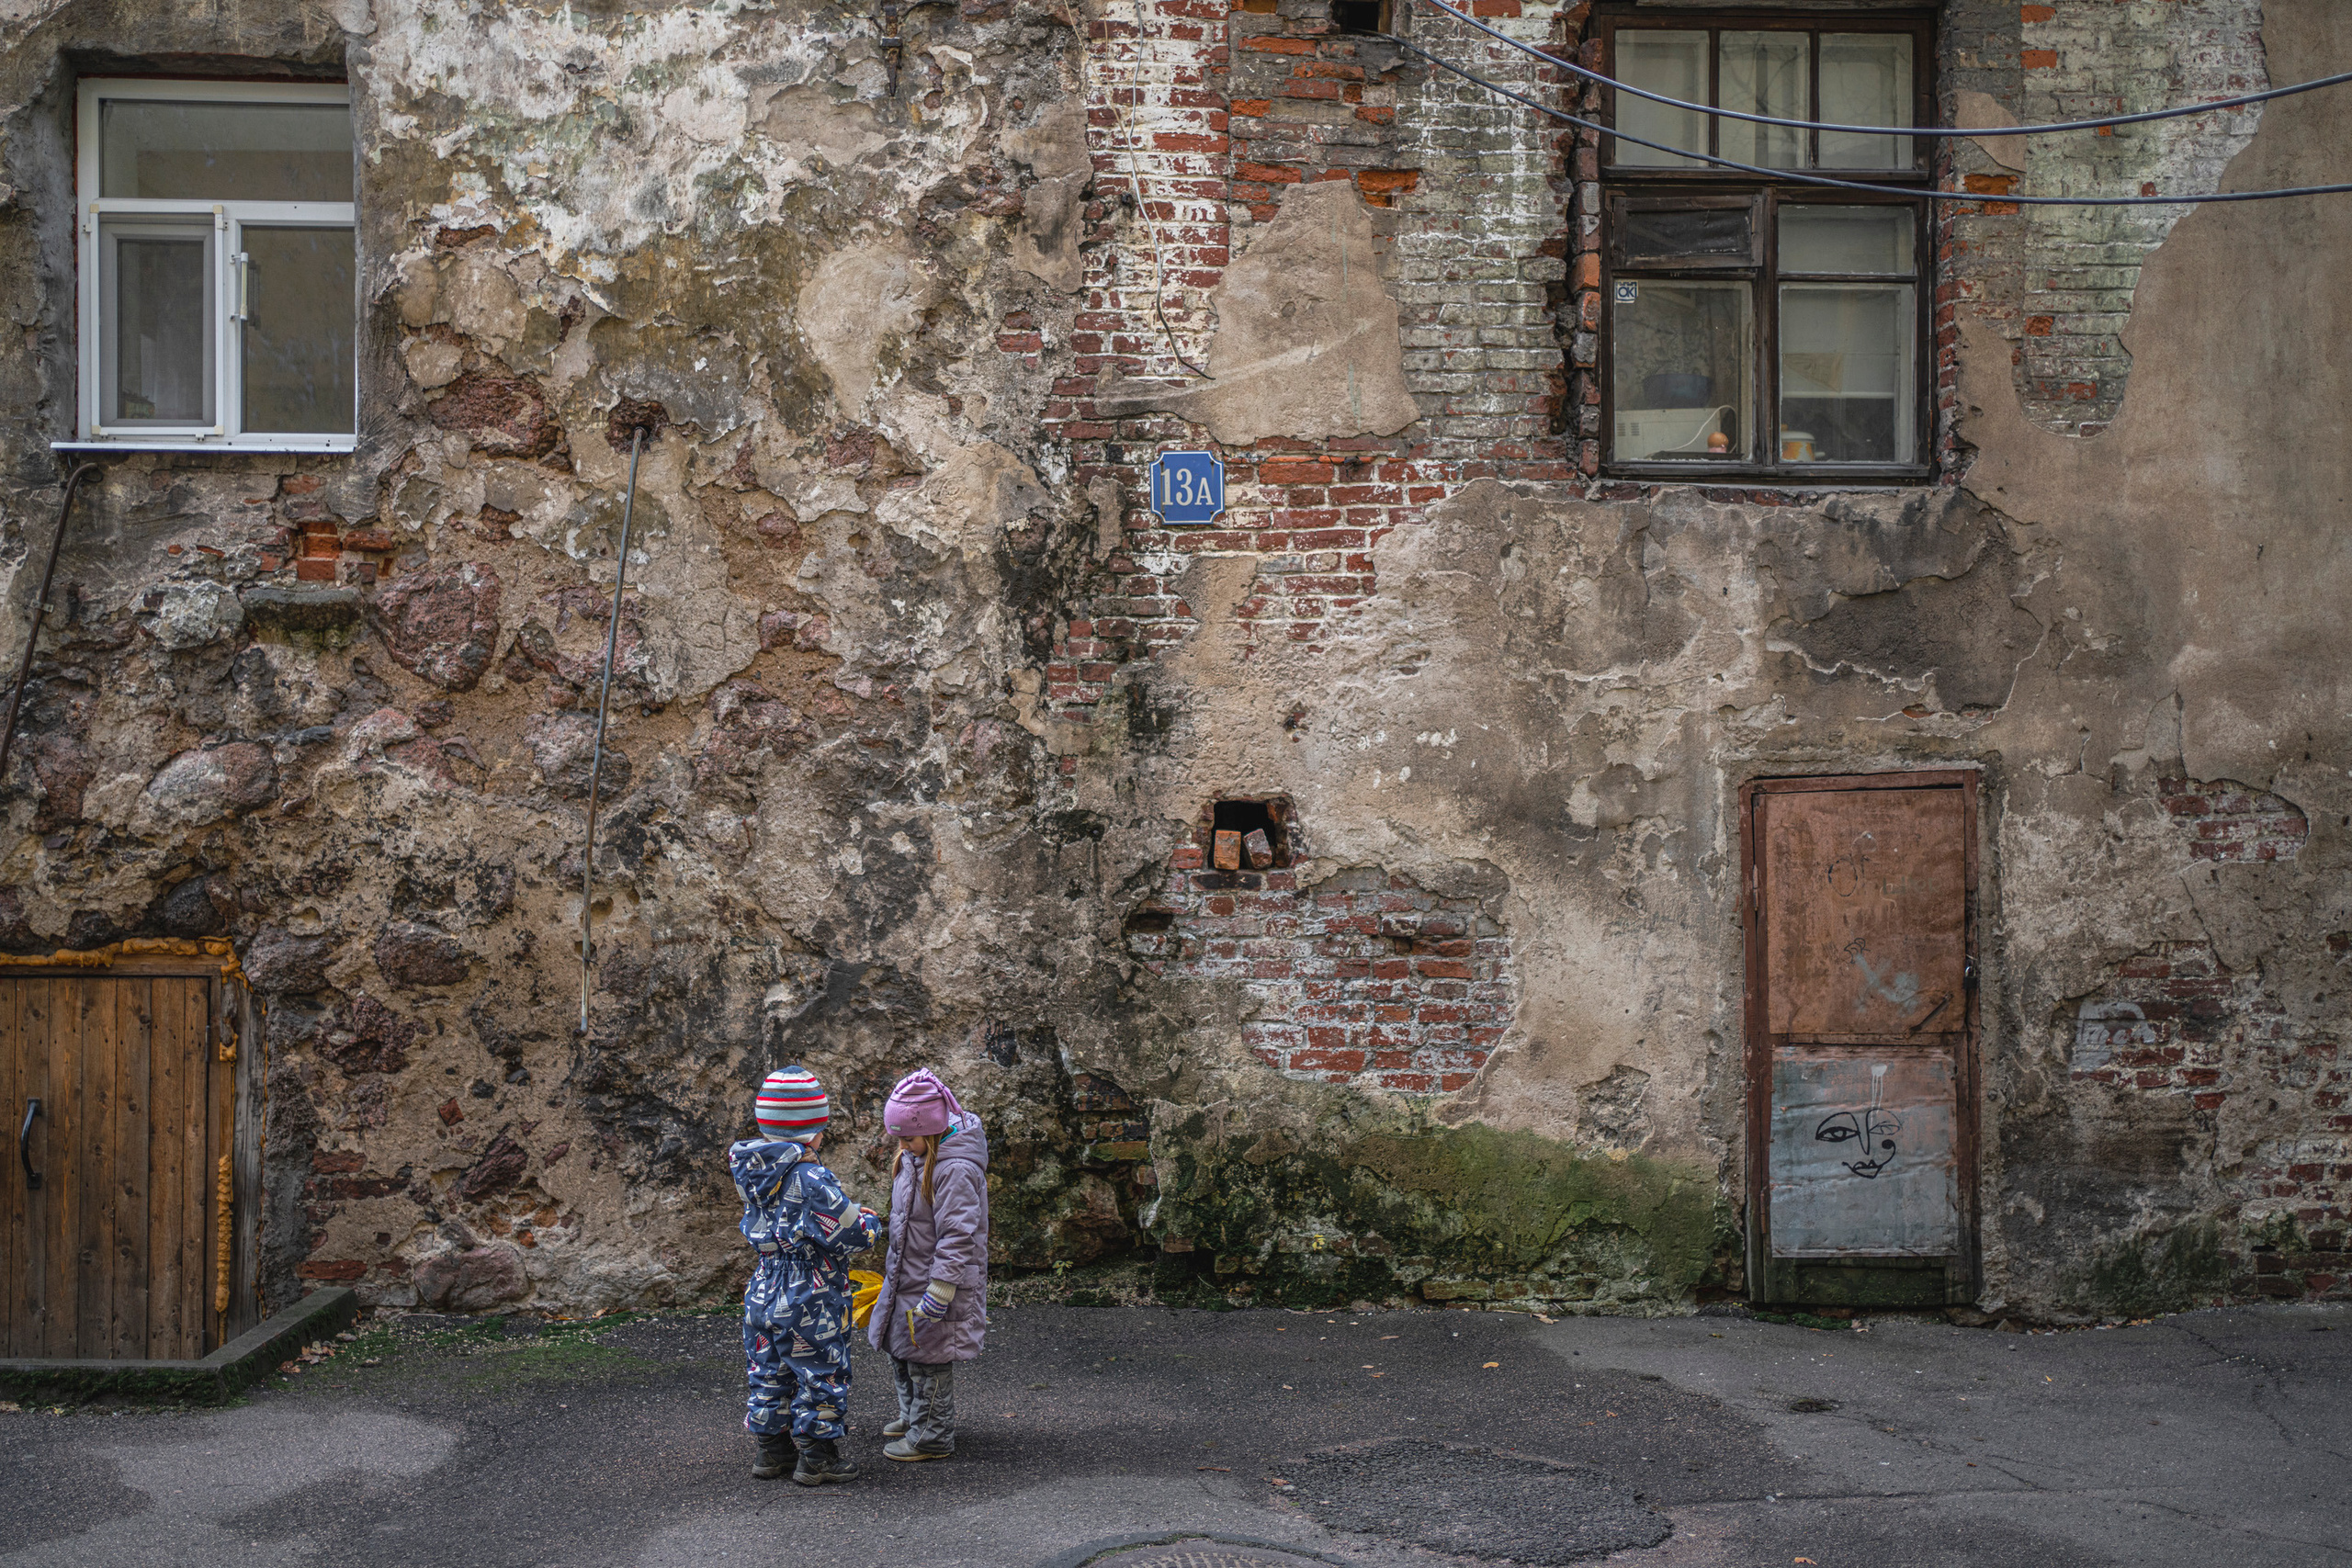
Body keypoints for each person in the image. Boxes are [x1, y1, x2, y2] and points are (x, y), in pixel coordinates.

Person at [731, 1064, 881, 1484]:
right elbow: (850, 1234)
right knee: (819, 1369)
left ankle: (772, 1449)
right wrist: (869, 1222)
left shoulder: (751, 1171)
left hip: (763, 1285)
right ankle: (818, 1456)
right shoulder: (811, 1175)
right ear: (817, 1129)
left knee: (769, 1367)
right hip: (808, 1290)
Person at [869, 1068, 990, 1461]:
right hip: (908, 1278)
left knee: (929, 1360)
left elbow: (958, 1235)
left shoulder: (954, 1169)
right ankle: (914, 1417)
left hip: (937, 1283)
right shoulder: (915, 1158)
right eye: (898, 1138)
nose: (902, 1145)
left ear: (934, 1130)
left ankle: (933, 1435)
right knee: (903, 1350)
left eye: (908, 1137)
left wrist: (941, 1289)